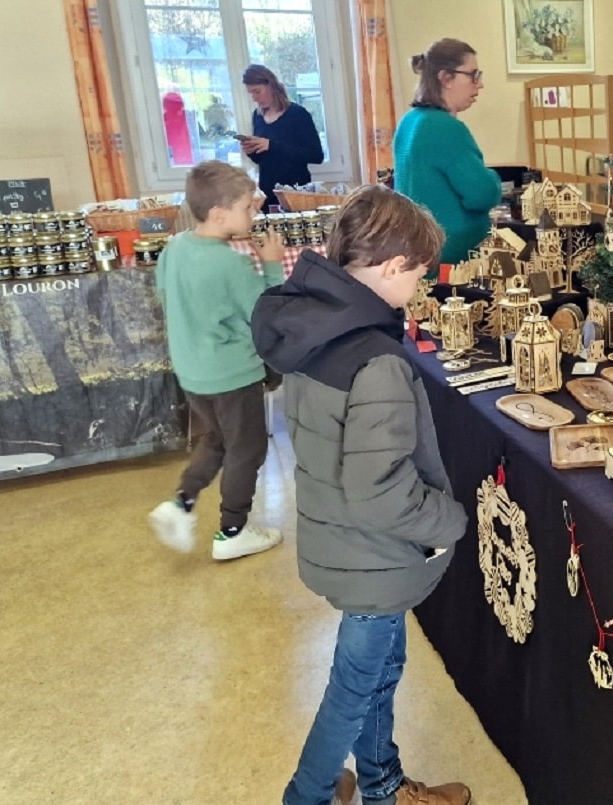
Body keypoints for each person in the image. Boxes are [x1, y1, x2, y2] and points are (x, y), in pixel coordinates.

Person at [250, 185, 472, 805]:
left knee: (377, 673)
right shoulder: (376, 361)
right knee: (352, 692)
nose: (419, 289)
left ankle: (384, 785)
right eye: (419, 276)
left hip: (341, 538)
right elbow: (381, 491)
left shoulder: (311, 326)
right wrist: (448, 520)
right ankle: (307, 795)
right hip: (374, 551)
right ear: (394, 266)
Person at [148, 161, 286, 560]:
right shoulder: (230, 262)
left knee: (218, 439)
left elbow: (165, 294)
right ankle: (232, 530)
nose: (254, 214)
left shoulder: (174, 248)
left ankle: (182, 502)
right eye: (247, 207)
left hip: (193, 373)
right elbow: (265, 313)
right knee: (248, 449)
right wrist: (272, 265)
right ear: (219, 213)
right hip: (232, 375)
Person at [393, 38, 502, 269]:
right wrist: (493, 177)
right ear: (445, 78)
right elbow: (483, 194)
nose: (480, 84)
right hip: (453, 260)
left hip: (418, 253)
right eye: (473, 75)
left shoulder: (409, 121)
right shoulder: (446, 128)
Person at [241, 64, 324, 210]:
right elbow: (265, 161)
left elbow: (316, 155)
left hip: (295, 194)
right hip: (268, 194)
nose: (254, 98)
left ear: (271, 85)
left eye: (257, 91)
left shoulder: (298, 114)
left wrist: (272, 145)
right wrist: (251, 152)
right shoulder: (257, 116)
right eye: (251, 93)